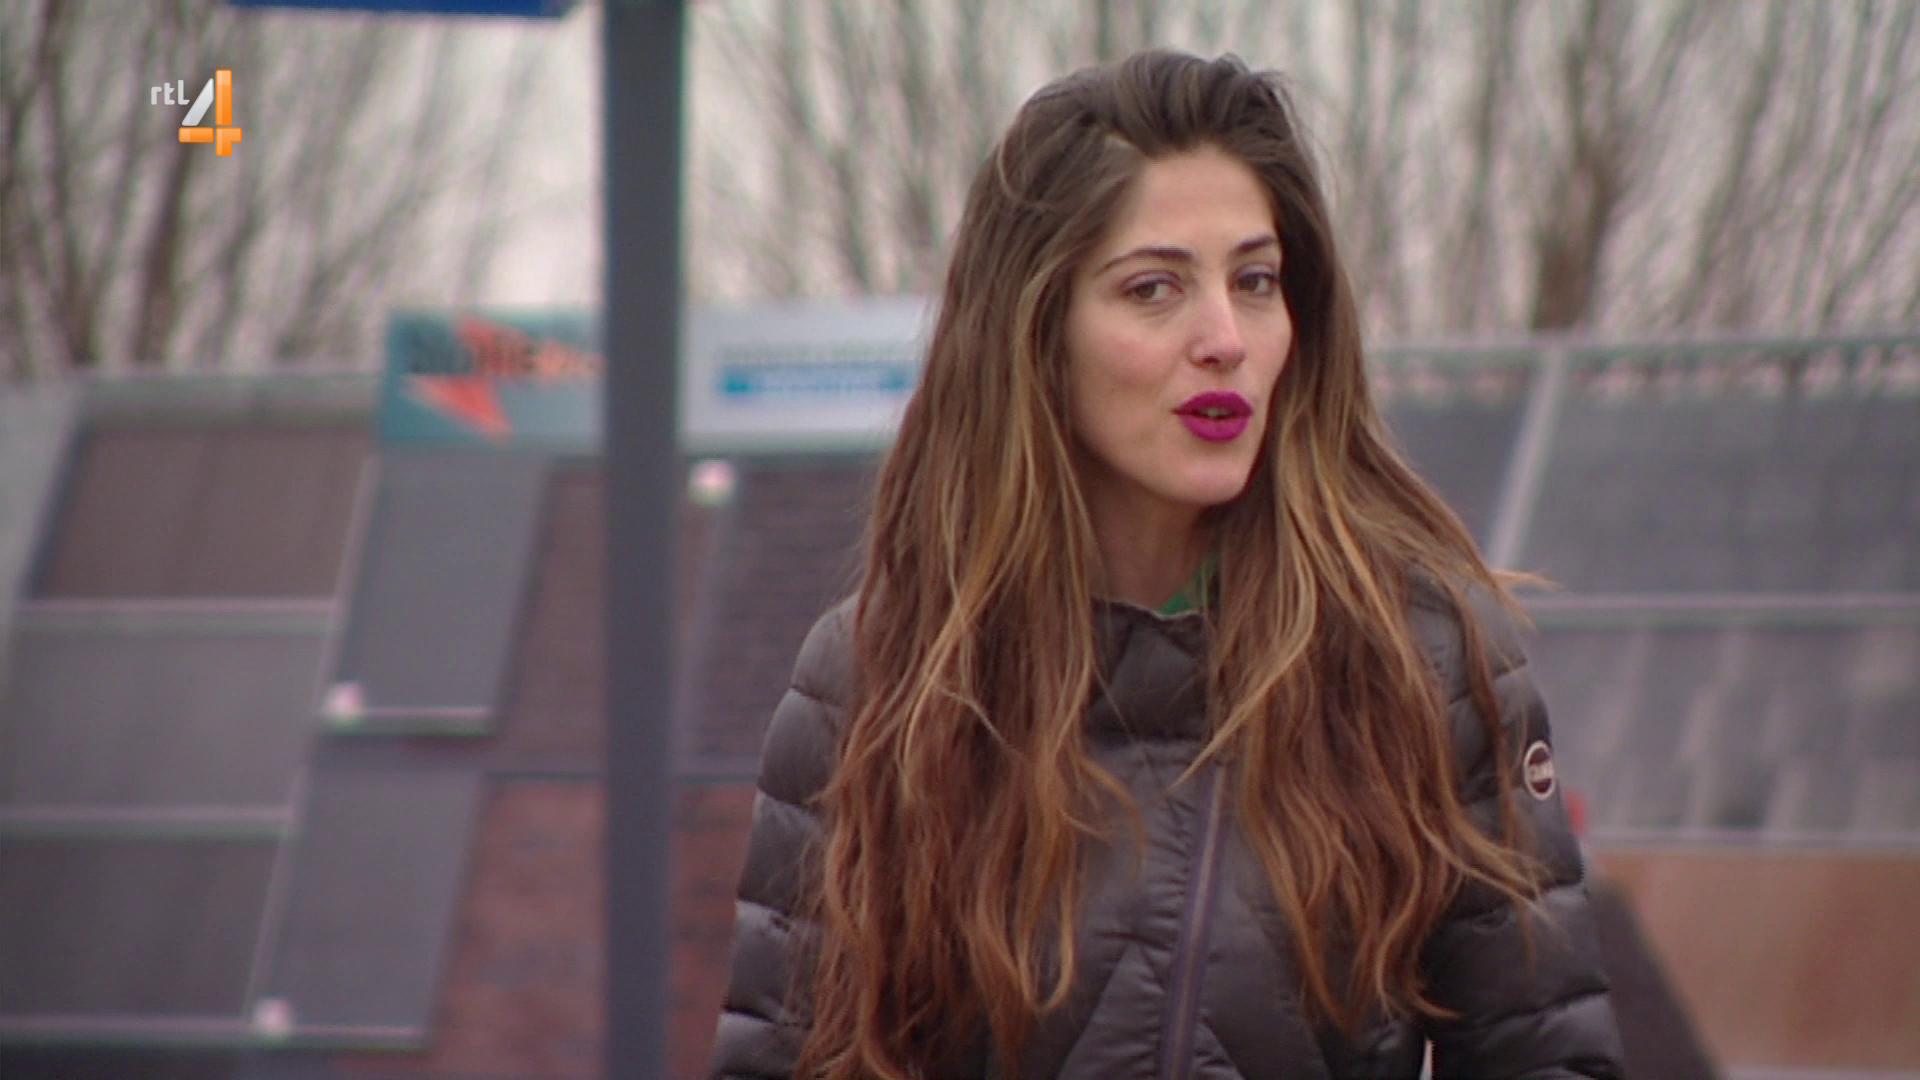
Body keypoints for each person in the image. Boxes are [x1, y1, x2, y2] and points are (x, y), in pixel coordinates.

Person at [709, 49, 1625, 1080]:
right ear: (1037, 332)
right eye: (1154, 288)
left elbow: (1549, 1058)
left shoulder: (1421, 661)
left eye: (1256, 281)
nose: (1225, 338)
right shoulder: (883, 674)